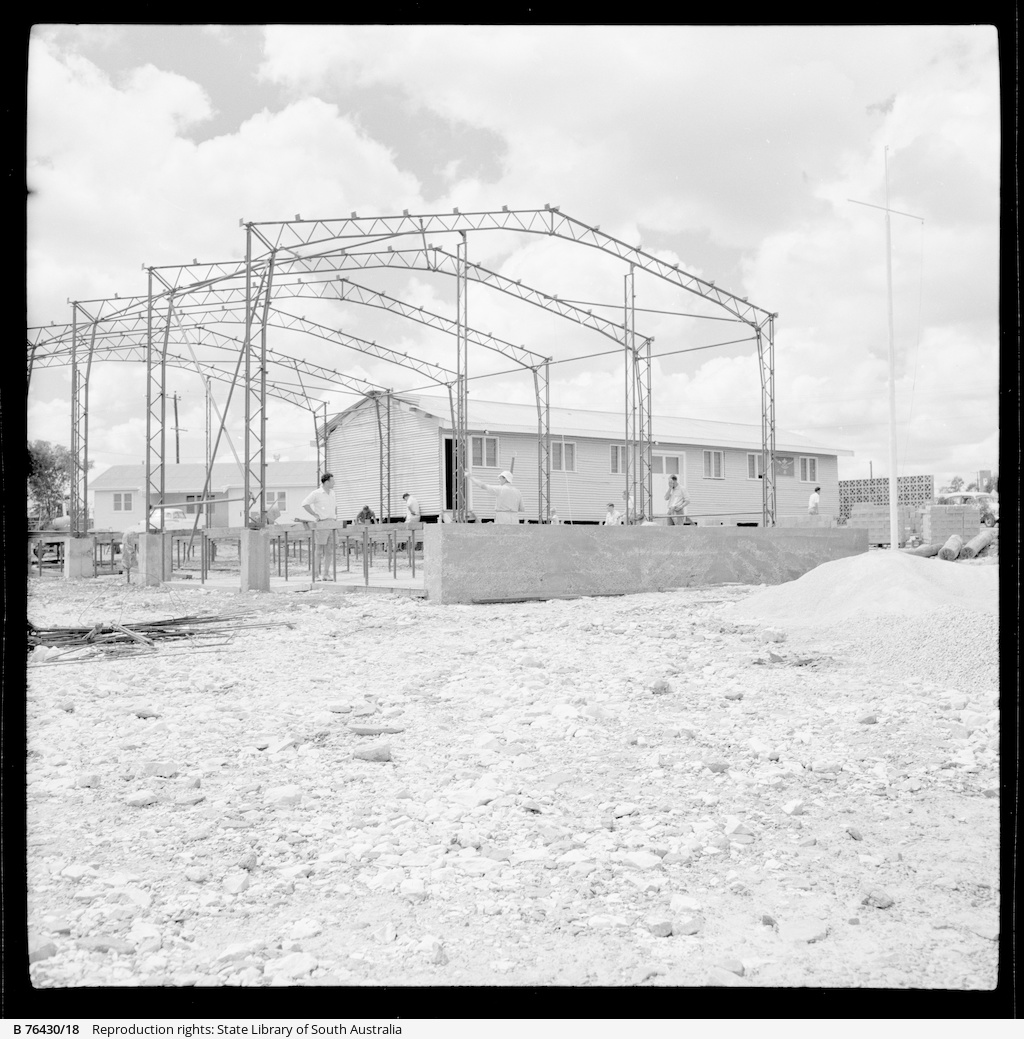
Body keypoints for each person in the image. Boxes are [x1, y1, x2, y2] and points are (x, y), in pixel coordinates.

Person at [301, 472, 336, 580]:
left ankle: (326, 573)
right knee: (319, 550)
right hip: (322, 523)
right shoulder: (316, 493)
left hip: (332, 523)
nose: (334, 482)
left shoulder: (332, 493)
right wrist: (314, 514)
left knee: (330, 550)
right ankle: (316, 574)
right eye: (332, 481)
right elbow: (305, 503)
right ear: (326, 482)